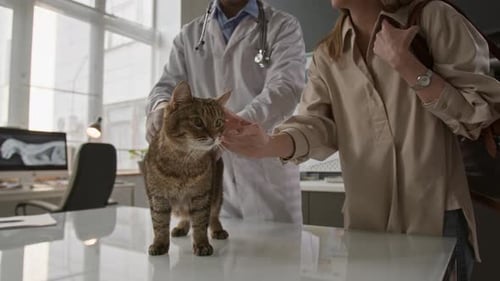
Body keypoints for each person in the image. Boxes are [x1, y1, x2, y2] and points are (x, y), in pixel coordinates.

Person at [222, 0, 500, 280]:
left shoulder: (433, 19)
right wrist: (267, 144)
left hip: (436, 220)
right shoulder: (327, 55)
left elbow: (478, 115)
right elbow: (316, 125)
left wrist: (407, 65)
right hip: (367, 230)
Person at [145, 0, 306, 223]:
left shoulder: (282, 26)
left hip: (269, 184)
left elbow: (286, 87)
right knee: (215, 249)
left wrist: (234, 123)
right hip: (210, 183)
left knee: (277, 252)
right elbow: (166, 87)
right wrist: (160, 108)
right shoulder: (189, 35)